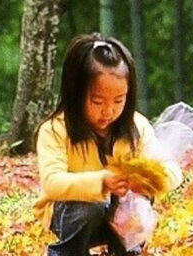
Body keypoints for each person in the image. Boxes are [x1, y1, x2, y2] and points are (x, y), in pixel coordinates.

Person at [33, 34, 183, 256]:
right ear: (76, 93)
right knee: (89, 207)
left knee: (137, 203)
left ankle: (127, 250)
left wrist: (150, 182)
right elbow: (52, 183)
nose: (109, 110)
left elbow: (171, 168)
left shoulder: (136, 127)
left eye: (119, 100)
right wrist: (102, 182)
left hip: (118, 213)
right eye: (97, 101)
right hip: (71, 214)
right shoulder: (55, 130)